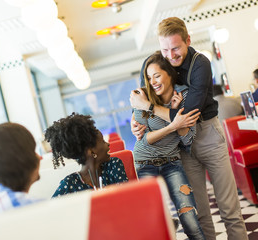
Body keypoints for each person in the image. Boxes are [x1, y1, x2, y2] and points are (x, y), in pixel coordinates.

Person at [130, 17, 247, 240]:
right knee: (201, 214)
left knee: (230, 209)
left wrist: (148, 107)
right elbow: (142, 95)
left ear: (187, 41)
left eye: (176, 48)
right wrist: (137, 122)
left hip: (208, 135)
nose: (171, 55)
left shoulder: (200, 63)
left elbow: (186, 115)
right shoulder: (154, 62)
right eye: (165, 49)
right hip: (181, 146)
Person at [132, 51, 204, 240]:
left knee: (190, 219)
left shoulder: (185, 94)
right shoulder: (143, 97)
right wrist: (173, 122)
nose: (153, 81)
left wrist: (175, 116)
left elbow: (187, 139)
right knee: (154, 220)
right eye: (149, 77)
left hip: (172, 162)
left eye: (157, 75)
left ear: (169, 74)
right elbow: (144, 138)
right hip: (144, 163)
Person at [44, 113, 128, 197]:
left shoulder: (113, 165)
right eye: (103, 142)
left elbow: (126, 197)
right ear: (90, 152)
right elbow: (49, 208)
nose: (108, 144)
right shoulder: (70, 184)